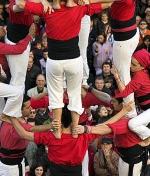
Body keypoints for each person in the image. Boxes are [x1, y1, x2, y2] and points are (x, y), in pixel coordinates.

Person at [13, 0, 112, 139]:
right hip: (73, 60)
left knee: (55, 95)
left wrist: (43, 1)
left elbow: (20, 3)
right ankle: (76, 129)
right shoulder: (79, 8)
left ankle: (57, 131)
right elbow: (108, 3)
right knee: (74, 95)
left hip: (55, 61)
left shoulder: (47, 9)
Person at [0, 20, 35, 148]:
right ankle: (7, 114)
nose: (2, 27)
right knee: (18, 92)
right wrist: (29, 36)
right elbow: (18, 49)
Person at [112, 49, 150, 146]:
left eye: (134, 65)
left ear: (143, 66)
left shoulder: (140, 77)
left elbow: (125, 92)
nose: (130, 66)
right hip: (145, 108)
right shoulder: (139, 71)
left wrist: (116, 77)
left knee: (132, 124)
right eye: (131, 62)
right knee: (134, 132)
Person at [109, 0, 139, 118]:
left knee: (123, 76)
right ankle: (129, 108)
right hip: (127, 35)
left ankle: (130, 112)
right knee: (124, 74)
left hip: (124, 40)